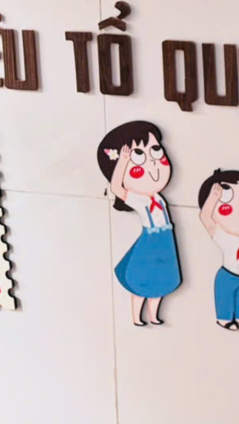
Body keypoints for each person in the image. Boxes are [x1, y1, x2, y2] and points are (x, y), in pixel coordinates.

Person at [98, 120, 181, 327]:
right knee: (141, 282)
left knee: (161, 281)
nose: (151, 164)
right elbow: (117, 188)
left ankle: (153, 315)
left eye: (156, 151)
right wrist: (123, 162)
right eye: (139, 157)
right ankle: (137, 317)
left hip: (166, 241)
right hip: (150, 243)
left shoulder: (157, 197)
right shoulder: (138, 198)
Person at [197, 169, 239, 330]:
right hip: (228, 275)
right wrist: (213, 197)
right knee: (225, 299)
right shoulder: (223, 235)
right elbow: (205, 218)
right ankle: (224, 319)